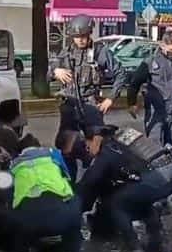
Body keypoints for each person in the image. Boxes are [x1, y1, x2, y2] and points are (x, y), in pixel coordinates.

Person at [77, 124, 172, 252]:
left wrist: (76, 199)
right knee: (137, 198)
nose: (89, 152)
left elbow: (92, 179)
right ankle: (156, 240)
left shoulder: (110, 148)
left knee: (115, 204)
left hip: (157, 178)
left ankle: (133, 248)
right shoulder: (125, 136)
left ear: (96, 138)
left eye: (88, 146)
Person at [48, 14, 130, 176]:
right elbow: (48, 75)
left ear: (90, 33)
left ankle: (94, 183)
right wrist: (55, 71)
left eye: (83, 36)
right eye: (77, 37)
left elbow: (121, 74)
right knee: (66, 148)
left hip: (90, 104)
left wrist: (110, 98)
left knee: (96, 148)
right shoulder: (66, 52)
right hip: (70, 105)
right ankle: (69, 185)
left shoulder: (100, 52)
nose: (80, 40)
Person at [5, 146, 84, 252]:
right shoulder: (53, 160)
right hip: (64, 217)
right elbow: (69, 179)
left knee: (17, 214)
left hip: (33, 221)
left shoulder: (14, 169)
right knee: (74, 206)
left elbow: (9, 199)